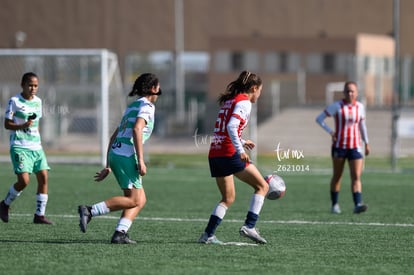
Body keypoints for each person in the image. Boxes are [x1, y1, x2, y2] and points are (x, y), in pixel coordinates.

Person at [78, 73, 162, 244]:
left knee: (140, 199)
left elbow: (113, 136)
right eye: (158, 87)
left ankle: (120, 233)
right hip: (126, 156)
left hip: (116, 153)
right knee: (133, 200)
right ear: (153, 88)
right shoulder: (147, 106)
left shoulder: (132, 106)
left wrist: (108, 164)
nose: (159, 90)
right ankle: (90, 210)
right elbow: (137, 130)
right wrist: (140, 160)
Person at [198, 71, 269, 245]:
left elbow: (226, 129)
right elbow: (231, 126)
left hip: (216, 153)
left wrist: (242, 141)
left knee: (228, 198)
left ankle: (207, 235)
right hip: (229, 153)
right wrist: (240, 149)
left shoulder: (230, 101)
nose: (260, 94)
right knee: (263, 186)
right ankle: (250, 226)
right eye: (260, 90)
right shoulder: (244, 102)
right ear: (254, 88)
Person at [0, 72, 53, 224]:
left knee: (43, 177)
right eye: (30, 85)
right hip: (19, 145)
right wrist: (21, 126)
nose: (33, 88)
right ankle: (4, 205)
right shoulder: (14, 101)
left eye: (35, 85)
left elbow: (36, 125)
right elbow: (6, 124)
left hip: (36, 147)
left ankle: (39, 215)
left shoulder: (38, 101)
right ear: (22, 85)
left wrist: (39, 142)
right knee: (24, 181)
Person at [316, 81, 370, 214]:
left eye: (352, 91)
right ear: (344, 93)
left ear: (356, 93)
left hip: (355, 146)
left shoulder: (360, 107)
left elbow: (362, 126)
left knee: (356, 176)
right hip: (339, 146)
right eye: (347, 91)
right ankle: (335, 205)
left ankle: (358, 204)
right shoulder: (337, 106)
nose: (350, 93)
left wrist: (366, 143)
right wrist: (330, 131)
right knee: (337, 176)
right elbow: (319, 119)